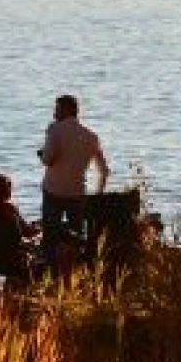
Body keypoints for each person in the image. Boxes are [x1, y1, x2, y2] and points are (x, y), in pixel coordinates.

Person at [39, 93, 109, 264]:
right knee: (76, 237)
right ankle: (76, 272)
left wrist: (41, 154)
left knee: (50, 236)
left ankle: (52, 274)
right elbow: (104, 171)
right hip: (77, 192)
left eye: (56, 109)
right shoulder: (91, 136)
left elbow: (48, 160)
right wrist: (98, 193)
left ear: (66, 110)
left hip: (53, 191)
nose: (54, 113)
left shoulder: (54, 129)